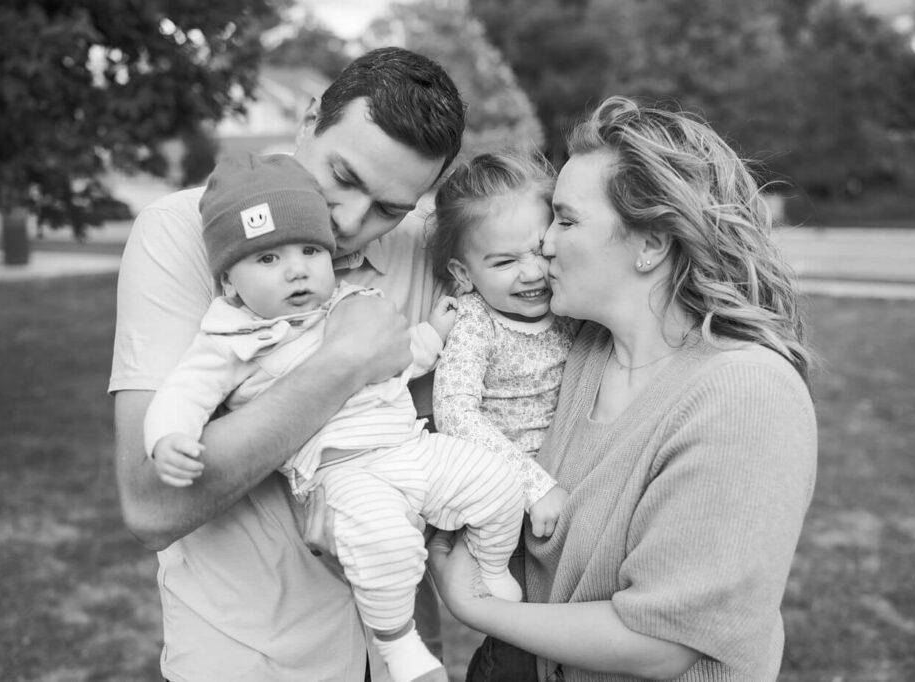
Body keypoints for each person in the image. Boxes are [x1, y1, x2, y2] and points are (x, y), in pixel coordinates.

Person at [427, 97, 818, 681]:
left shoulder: (745, 396)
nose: (544, 245)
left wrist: (475, 605)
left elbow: (662, 642)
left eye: (565, 220)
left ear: (651, 245)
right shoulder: (583, 349)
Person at [109, 47, 466, 682]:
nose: (350, 220)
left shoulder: (425, 250)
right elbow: (151, 503)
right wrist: (345, 361)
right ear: (308, 120)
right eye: (344, 176)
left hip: (401, 648)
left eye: (390, 209)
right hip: (251, 656)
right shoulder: (182, 232)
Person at [143, 153, 525, 682]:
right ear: (229, 280)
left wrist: (433, 335)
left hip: (410, 447)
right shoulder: (231, 339)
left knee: (498, 480)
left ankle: (491, 566)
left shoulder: (352, 303)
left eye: (310, 250)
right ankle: (401, 648)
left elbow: (399, 358)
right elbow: (183, 393)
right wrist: (167, 437)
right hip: (344, 474)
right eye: (268, 259)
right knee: (385, 546)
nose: (297, 269)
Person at [427, 150, 578, 539]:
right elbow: (455, 414)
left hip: (565, 478)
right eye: (503, 263)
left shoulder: (571, 305)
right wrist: (533, 485)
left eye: (540, 250)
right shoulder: (476, 323)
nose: (531, 273)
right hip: (496, 496)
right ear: (463, 273)